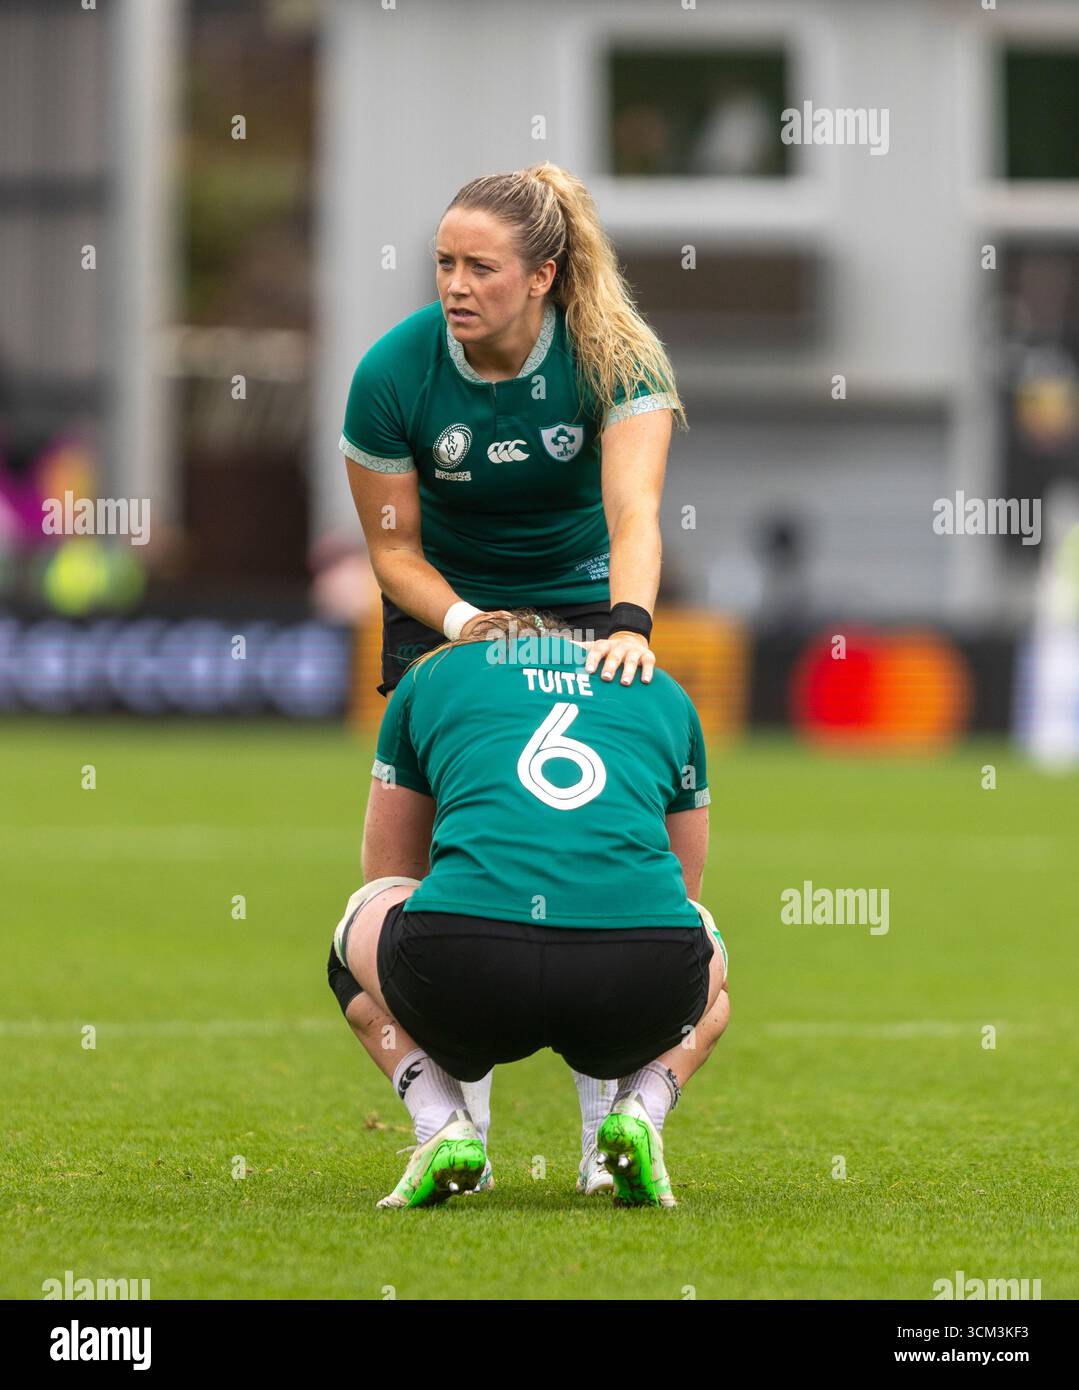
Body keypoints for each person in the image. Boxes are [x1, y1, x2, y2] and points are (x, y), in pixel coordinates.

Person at [339, 160, 688, 1160]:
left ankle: (599, 1130)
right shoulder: (392, 373)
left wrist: (628, 625)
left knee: (594, 848)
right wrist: (463, 622)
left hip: (585, 600)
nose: (453, 284)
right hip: (441, 607)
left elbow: (633, 512)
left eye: (478, 267)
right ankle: (450, 1123)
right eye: (443, 262)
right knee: (412, 866)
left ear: (539, 276)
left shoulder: (614, 356)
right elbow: (392, 552)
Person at [326, 613, 730, 1209]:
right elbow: (685, 887)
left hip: (463, 968)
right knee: (705, 949)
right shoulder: (660, 688)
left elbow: (389, 872)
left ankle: (443, 1124)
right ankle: (641, 1110)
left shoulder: (433, 672)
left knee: (356, 927)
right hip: (640, 979)